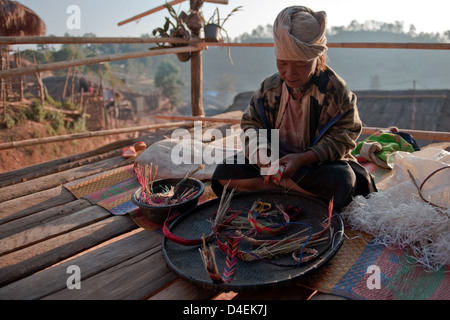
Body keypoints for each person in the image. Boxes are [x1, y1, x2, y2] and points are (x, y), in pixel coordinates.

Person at [211, 5, 376, 211]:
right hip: (272, 163)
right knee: (223, 172)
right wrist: (261, 154)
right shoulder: (269, 88)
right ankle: (291, 189)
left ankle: (269, 187)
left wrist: (303, 158)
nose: (289, 73)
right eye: (282, 63)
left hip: (312, 167)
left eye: (300, 65)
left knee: (344, 180)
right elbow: (251, 125)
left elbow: (345, 135)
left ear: (315, 58)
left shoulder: (335, 91)